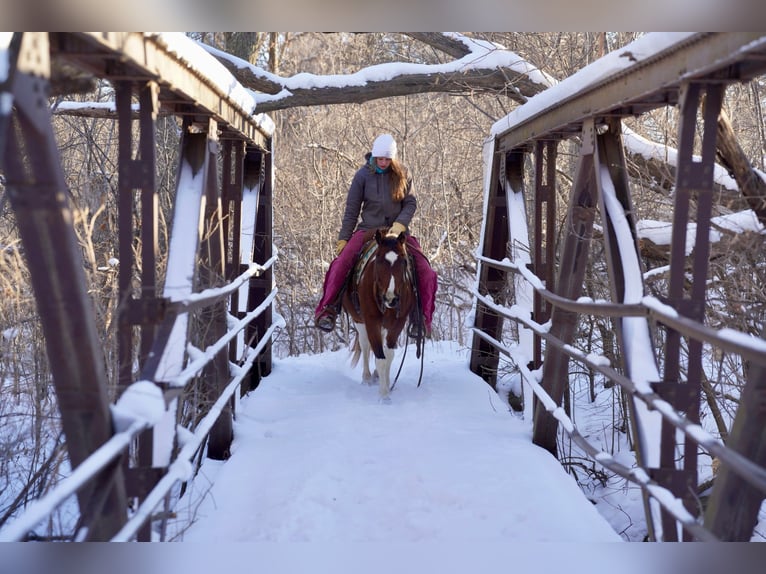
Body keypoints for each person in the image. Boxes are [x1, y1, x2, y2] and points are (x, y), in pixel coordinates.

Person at [314, 133, 437, 337]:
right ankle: (328, 309)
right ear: (373, 156)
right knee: (341, 263)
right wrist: (344, 238)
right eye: (380, 158)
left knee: (425, 269)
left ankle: (421, 319)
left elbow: (410, 203)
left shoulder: (403, 174)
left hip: (398, 233)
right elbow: (352, 209)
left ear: (393, 159)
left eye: (387, 159)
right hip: (368, 230)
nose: (383, 162)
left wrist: (400, 225)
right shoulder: (362, 176)